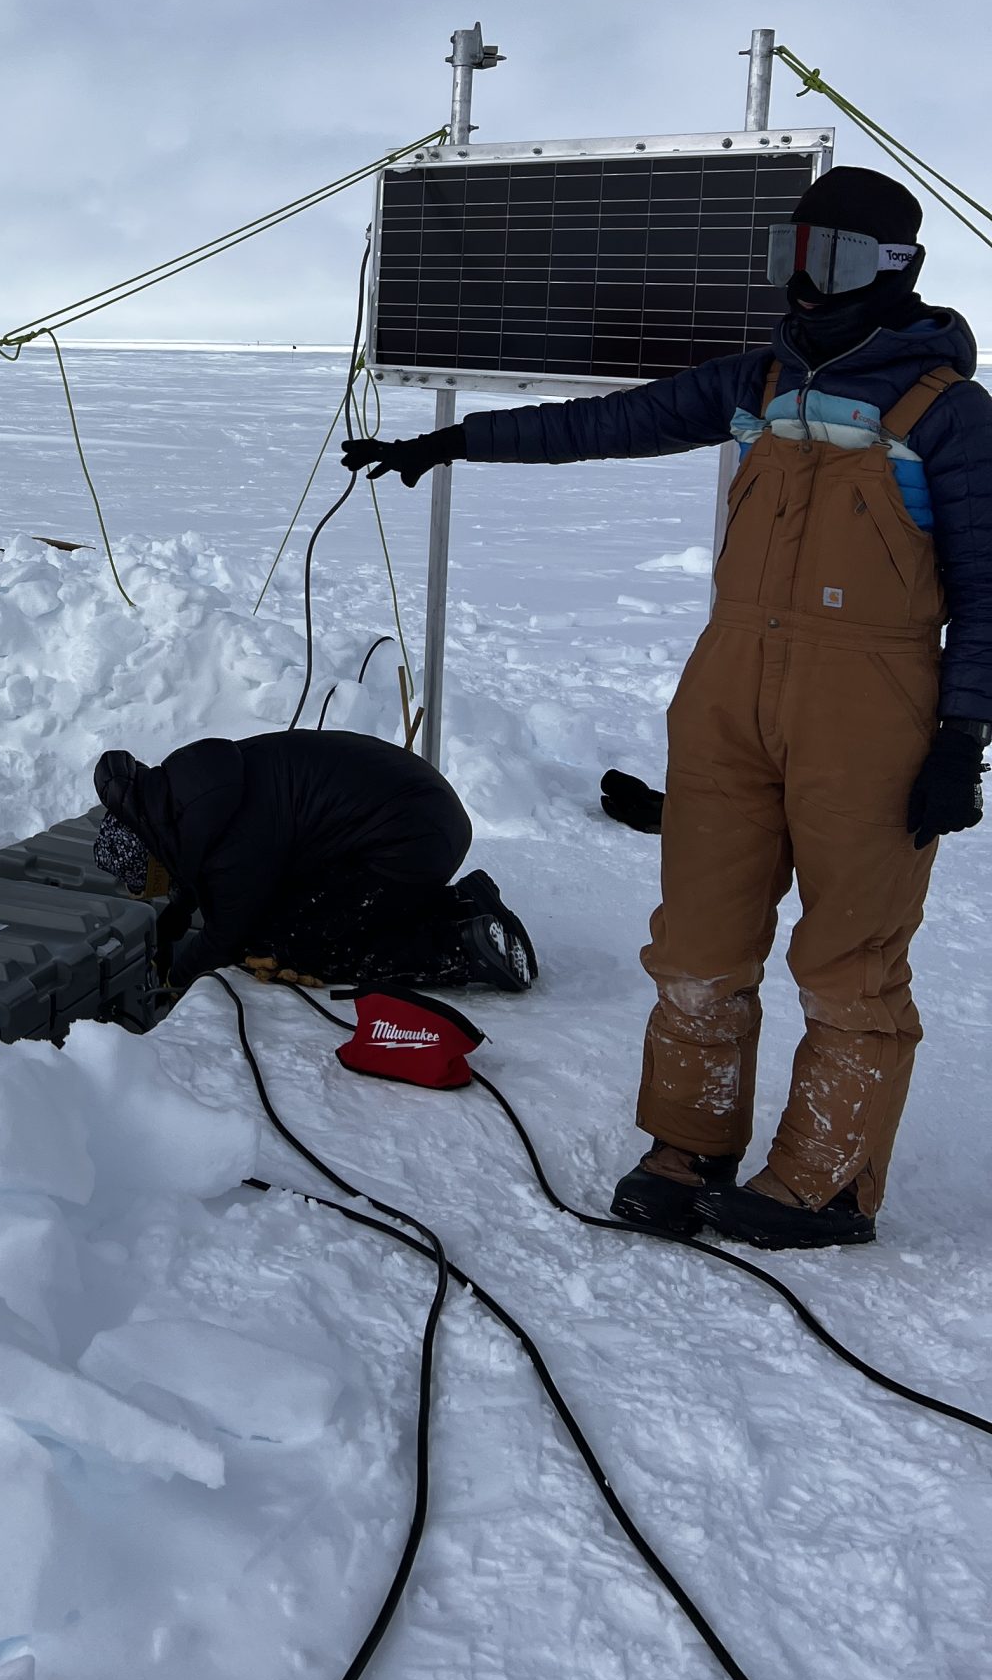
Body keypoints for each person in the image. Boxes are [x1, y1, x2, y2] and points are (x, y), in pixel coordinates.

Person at [345, 164, 991, 1250]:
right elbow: (610, 422)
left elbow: (985, 587)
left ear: (896, 270)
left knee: (850, 956)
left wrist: (961, 737)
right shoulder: (758, 378)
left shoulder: (949, 413)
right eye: (795, 252)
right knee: (699, 935)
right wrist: (451, 442)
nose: (804, 280)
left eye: (829, 259)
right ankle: (689, 1143)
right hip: (730, 693)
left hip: (870, 713)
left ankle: (825, 1179)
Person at [90, 729, 536, 997]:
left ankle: (461, 949)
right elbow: (199, 858)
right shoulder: (190, 792)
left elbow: (229, 934)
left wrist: (178, 977)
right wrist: (176, 916)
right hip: (419, 811)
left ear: (151, 855)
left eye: (141, 882)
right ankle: (463, 905)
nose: (139, 892)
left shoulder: (231, 847)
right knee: (310, 908)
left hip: (410, 840)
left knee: (294, 945)